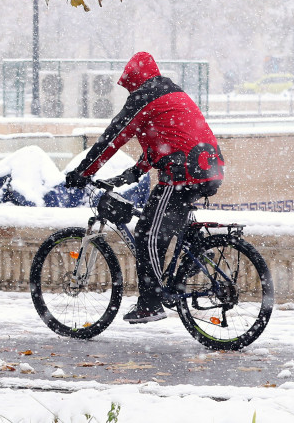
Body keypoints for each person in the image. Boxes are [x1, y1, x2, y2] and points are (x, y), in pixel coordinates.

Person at [65, 52, 224, 324]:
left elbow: (113, 138)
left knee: (147, 233)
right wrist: (135, 172)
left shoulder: (144, 97)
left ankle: (151, 304)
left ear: (134, 80)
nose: (129, 91)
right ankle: (185, 266)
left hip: (181, 174)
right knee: (163, 225)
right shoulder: (171, 93)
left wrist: (83, 172)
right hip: (207, 168)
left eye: (129, 86)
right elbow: (165, 140)